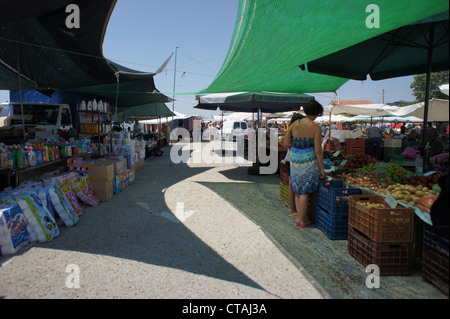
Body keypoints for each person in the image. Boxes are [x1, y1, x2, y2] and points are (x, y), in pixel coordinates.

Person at [281, 100, 325, 228]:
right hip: (308, 159)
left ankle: (298, 217)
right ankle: (302, 220)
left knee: (296, 188)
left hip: (295, 157)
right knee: (305, 190)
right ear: (316, 112)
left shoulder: (295, 124)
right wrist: (322, 169)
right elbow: (318, 150)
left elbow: (285, 142)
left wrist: (295, 148)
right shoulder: (315, 127)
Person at [280, 112, 306, 218]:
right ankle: (294, 210)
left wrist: (290, 148)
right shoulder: (295, 131)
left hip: (290, 160)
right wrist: (291, 147)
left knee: (293, 185)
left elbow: (282, 142)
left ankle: (294, 209)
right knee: (295, 186)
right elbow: (282, 142)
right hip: (293, 161)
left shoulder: (292, 130)